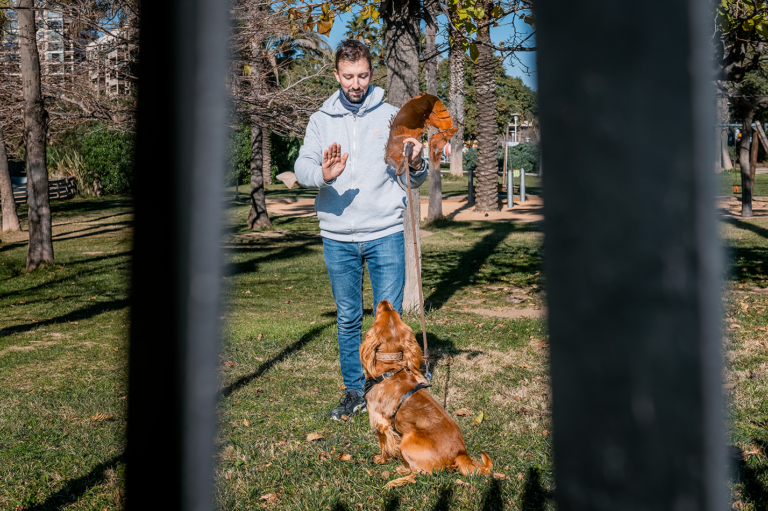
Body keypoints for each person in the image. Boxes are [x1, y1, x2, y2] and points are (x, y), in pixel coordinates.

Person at [294, 40, 427, 420]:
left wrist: (415, 163)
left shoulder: (390, 116)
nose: (356, 83)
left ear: (373, 73)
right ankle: (355, 390)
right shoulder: (321, 119)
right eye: (349, 76)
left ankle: (392, 389)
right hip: (338, 237)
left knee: (391, 318)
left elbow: (412, 178)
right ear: (336, 75)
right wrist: (322, 174)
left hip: (385, 232)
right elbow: (302, 167)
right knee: (349, 317)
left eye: (363, 75)